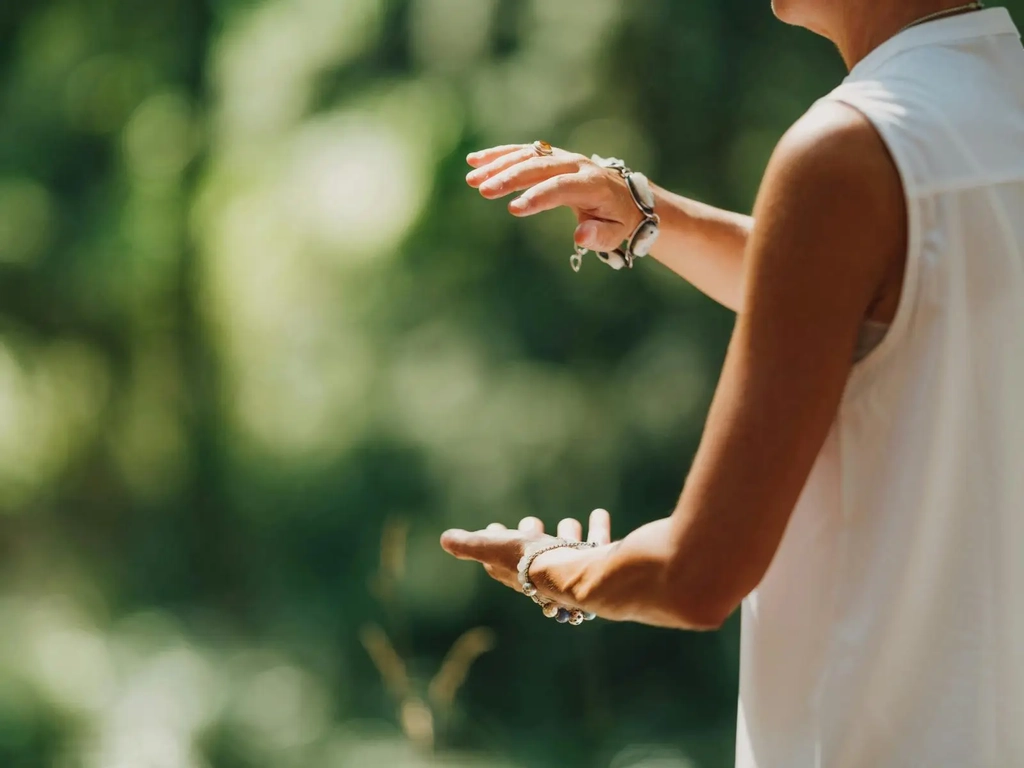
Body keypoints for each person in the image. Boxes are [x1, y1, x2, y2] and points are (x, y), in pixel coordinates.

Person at [441, 1, 1024, 765]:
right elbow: (883, 288)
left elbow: (695, 575)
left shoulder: (849, 146)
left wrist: (544, 565)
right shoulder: (990, 108)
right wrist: (651, 214)